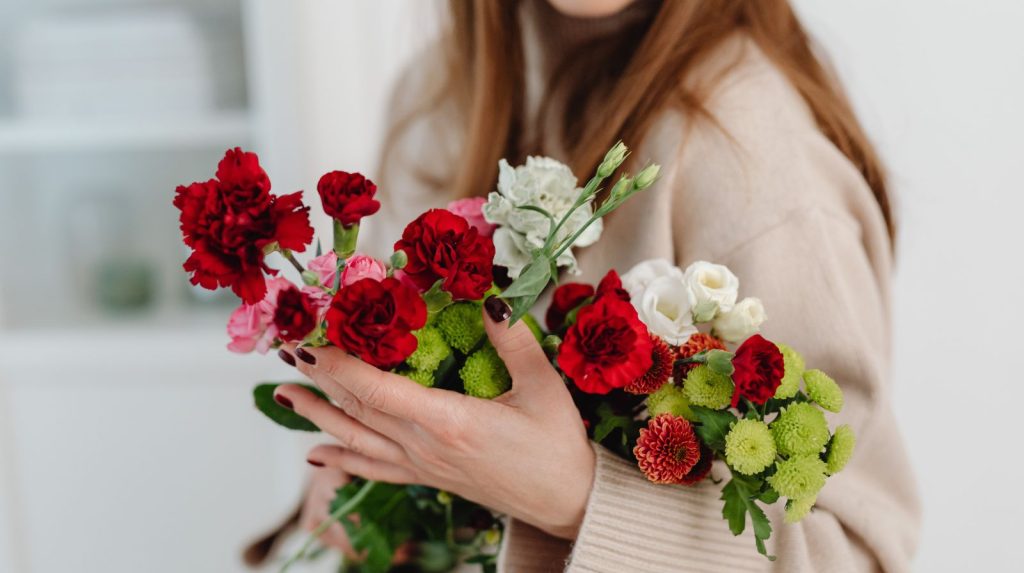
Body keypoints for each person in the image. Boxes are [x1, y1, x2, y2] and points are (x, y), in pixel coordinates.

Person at [268, 0, 921, 570]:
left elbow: (859, 552)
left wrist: (577, 500)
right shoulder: (435, 97)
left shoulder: (750, 156)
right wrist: (363, 492)